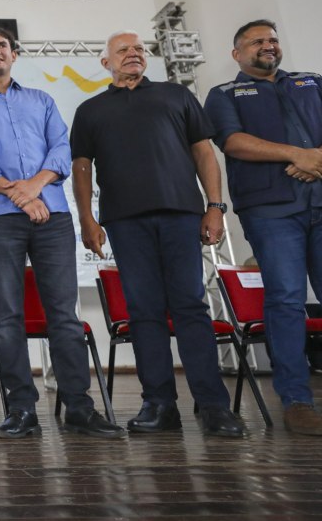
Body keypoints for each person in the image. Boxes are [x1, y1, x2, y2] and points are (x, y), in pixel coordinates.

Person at [0, 27, 124, 439]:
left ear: (14, 55)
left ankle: (79, 407)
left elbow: (61, 150)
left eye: (2, 46)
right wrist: (22, 196)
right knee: (7, 316)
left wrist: (33, 187)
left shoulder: (42, 100)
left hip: (53, 216)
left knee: (63, 314)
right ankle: (21, 410)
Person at [70, 29, 244, 438]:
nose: (133, 54)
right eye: (123, 50)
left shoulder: (176, 95)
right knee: (144, 311)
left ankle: (214, 406)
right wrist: (87, 219)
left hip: (182, 215)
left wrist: (215, 207)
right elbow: (82, 167)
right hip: (125, 222)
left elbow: (204, 152)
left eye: (138, 49)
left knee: (191, 307)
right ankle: (159, 404)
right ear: (106, 63)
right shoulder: (90, 110)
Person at [204, 19, 322, 435]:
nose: (268, 45)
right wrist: (296, 154)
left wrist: (315, 159)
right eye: (257, 42)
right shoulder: (223, 94)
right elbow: (232, 142)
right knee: (287, 299)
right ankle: (297, 401)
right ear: (237, 54)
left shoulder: (311, 82)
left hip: (320, 200)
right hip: (271, 212)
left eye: (272, 39)